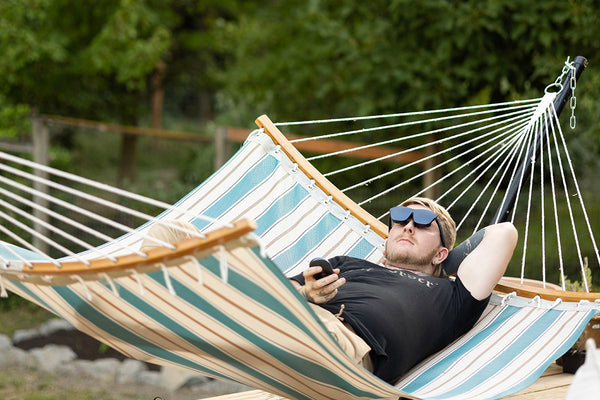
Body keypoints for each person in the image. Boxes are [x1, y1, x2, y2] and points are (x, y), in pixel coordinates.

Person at [289, 197, 518, 384]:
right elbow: (279, 288)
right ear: (386, 242)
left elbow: (504, 233)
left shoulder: (452, 296)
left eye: (422, 224)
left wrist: (438, 266)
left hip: (342, 346)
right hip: (295, 317)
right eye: (400, 222)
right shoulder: (347, 263)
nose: (408, 227)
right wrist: (305, 294)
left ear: (441, 254)